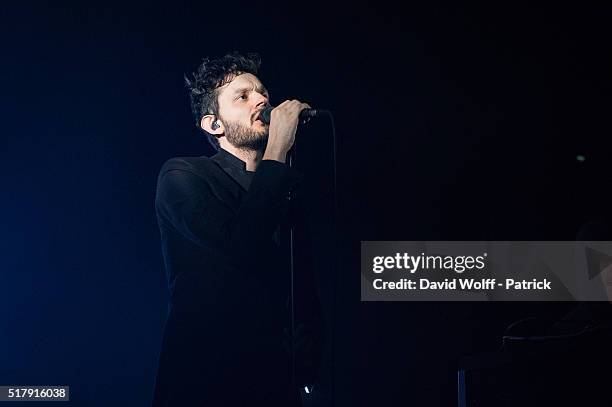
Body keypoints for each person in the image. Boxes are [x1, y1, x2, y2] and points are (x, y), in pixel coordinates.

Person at [152, 52, 323, 406]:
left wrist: (307, 347)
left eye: (262, 92)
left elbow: (303, 286)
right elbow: (241, 245)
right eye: (243, 96)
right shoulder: (182, 175)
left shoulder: (286, 191)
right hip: (203, 386)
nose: (262, 99)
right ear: (214, 125)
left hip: (273, 386)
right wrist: (277, 146)